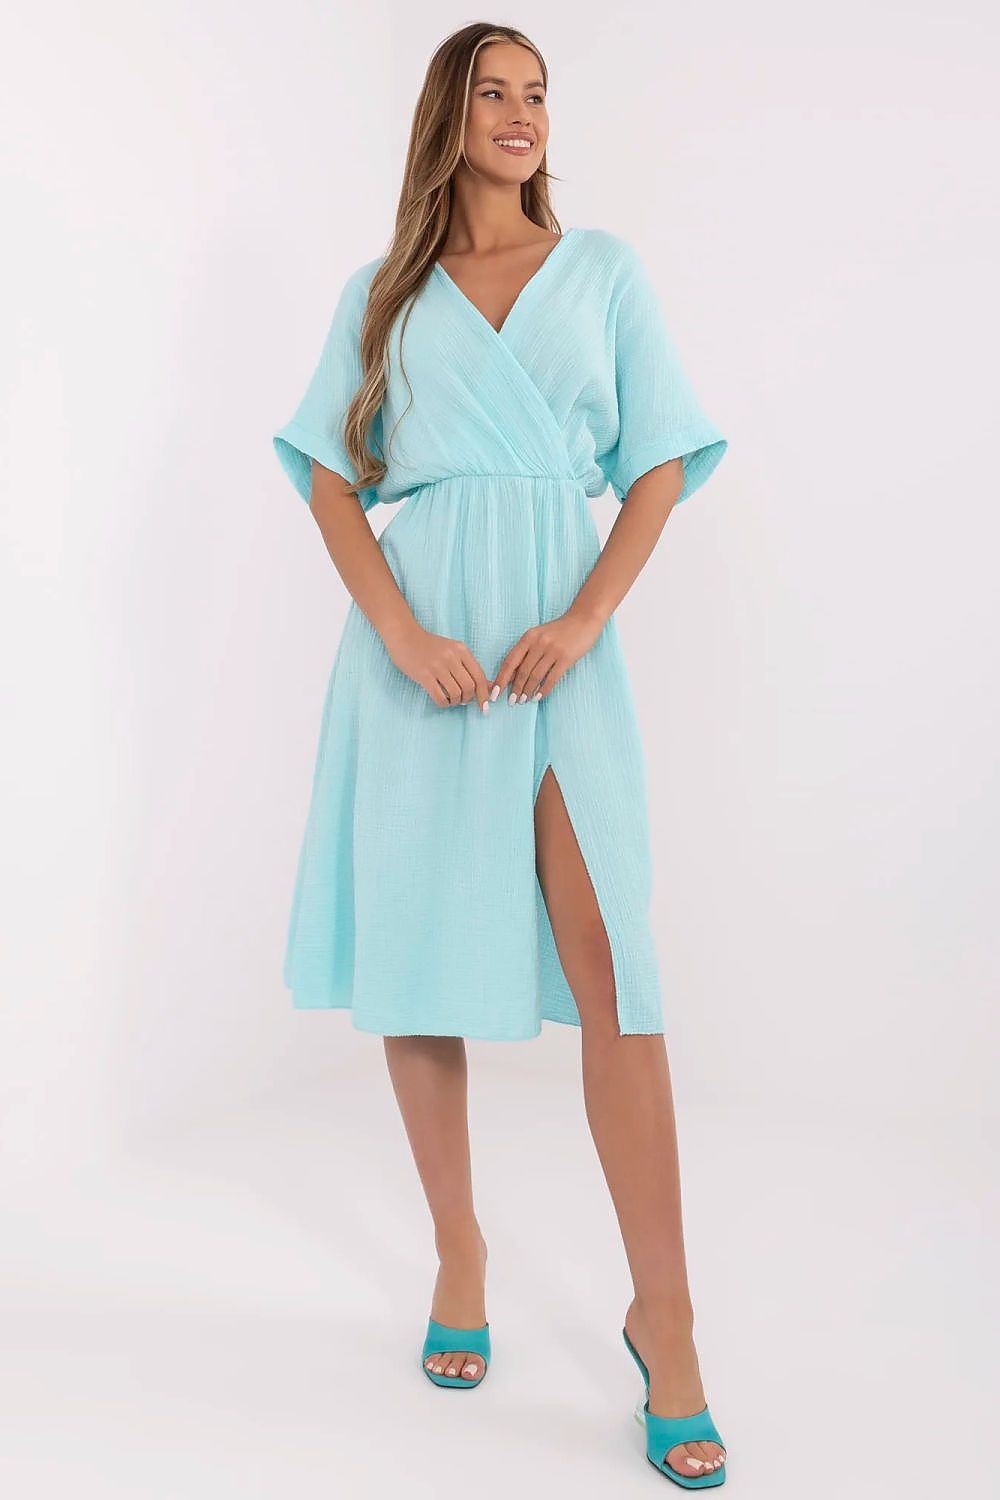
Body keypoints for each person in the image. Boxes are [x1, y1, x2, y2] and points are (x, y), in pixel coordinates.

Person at [272, 21, 729, 1488]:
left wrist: (587, 616)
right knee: (419, 959)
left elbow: (662, 457)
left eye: (538, 94)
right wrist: (401, 632)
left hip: (554, 646)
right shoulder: (383, 294)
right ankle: (458, 1249)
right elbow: (328, 474)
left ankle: (666, 1320)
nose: (522, 114)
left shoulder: (603, 272)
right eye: (495, 90)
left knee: (615, 973)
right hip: (424, 663)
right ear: (448, 114)